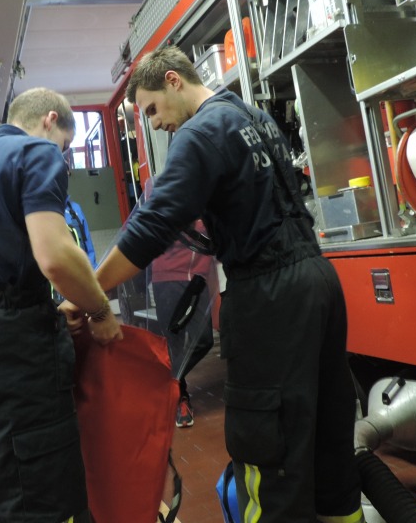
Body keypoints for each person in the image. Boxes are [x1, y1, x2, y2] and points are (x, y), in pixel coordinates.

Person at [61, 46, 363, 523]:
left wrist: (89, 295)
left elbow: (152, 225)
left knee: (268, 442)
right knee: (329, 430)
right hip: (316, 278)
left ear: (174, 80)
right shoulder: (255, 118)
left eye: (152, 109)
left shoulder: (200, 132)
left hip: (269, 294)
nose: (155, 123)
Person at [0, 87, 122, 523]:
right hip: (9, 360)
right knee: (45, 504)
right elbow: (55, 255)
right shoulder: (35, 151)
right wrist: (99, 310)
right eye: (66, 145)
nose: (63, 156)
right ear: (50, 120)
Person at [149, 219, 217, 428]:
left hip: (197, 279)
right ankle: (180, 399)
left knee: (203, 340)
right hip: (167, 279)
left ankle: (168, 382)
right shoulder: (155, 199)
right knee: (174, 343)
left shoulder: (206, 204)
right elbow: (137, 232)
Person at [64, 195, 98, 268]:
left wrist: (93, 270)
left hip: (84, 269)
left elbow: (88, 246)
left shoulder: (75, 208)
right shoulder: (43, 216)